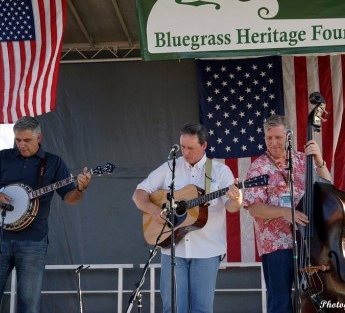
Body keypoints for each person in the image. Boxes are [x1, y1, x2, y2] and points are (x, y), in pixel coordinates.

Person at [0, 116, 92, 313]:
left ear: (39, 138)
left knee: (29, 303)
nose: (21, 145)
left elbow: (69, 198)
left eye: (26, 140)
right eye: (18, 140)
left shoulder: (53, 163)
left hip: (33, 242)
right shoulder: (4, 157)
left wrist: (80, 188)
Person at [132, 123, 242, 313]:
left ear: (204, 146)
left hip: (207, 251)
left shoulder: (219, 171)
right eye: (183, 147)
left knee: (202, 309)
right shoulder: (170, 168)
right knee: (173, 308)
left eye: (191, 148)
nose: (185, 152)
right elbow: (139, 193)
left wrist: (237, 199)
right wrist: (152, 210)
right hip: (172, 250)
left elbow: (231, 207)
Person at [243, 115, 332, 313]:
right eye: (269, 138)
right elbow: (253, 207)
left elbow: (329, 190)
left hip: (309, 241)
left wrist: (320, 161)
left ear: (289, 136)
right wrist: (285, 212)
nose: (273, 143)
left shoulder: (303, 160)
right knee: (280, 300)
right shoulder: (259, 166)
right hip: (276, 245)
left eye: (278, 138)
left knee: (313, 297)